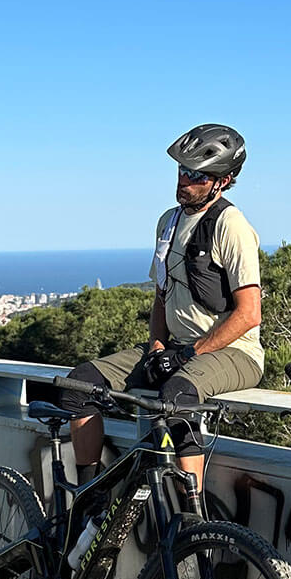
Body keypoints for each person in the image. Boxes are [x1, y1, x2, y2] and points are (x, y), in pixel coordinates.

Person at [58, 123, 264, 495]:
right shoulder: (168, 222)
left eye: (197, 175)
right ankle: (89, 497)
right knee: (80, 384)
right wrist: (157, 346)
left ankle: (190, 512)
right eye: (183, 170)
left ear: (223, 181)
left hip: (234, 352)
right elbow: (161, 296)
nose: (185, 180)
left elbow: (249, 313)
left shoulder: (230, 225)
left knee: (177, 397)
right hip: (176, 348)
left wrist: (188, 354)